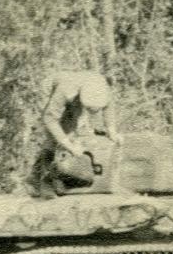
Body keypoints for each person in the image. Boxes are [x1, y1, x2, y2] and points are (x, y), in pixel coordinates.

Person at [26, 70, 122, 198]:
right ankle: (43, 180)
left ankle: (63, 175)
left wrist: (112, 131)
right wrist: (69, 145)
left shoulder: (103, 87)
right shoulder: (66, 91)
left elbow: (109, 107)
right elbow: (49, 119)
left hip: (77, 91)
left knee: (74, 131)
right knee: (57, 136)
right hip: (51, 91)